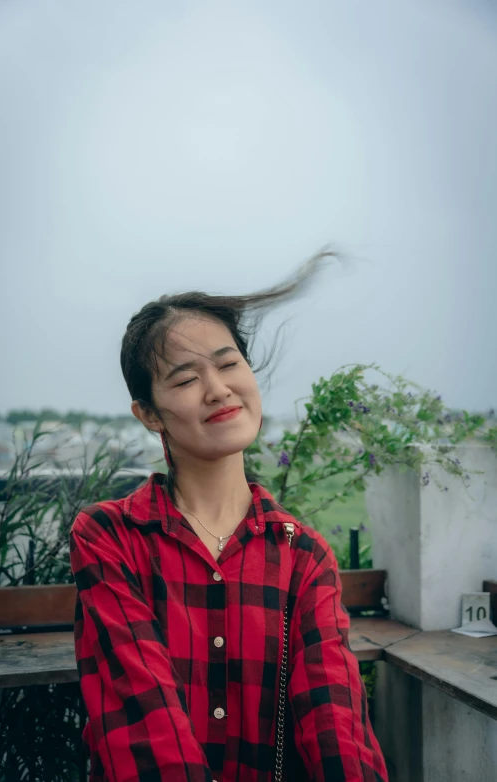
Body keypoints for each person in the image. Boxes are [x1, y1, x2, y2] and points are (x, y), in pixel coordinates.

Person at [70, 254, 388, 782]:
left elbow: (335, 719)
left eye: (228, 363)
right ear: (149, 414)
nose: (218, 389)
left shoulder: (302, 556)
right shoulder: (111, 538)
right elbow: (141, 715)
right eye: (186, 378)